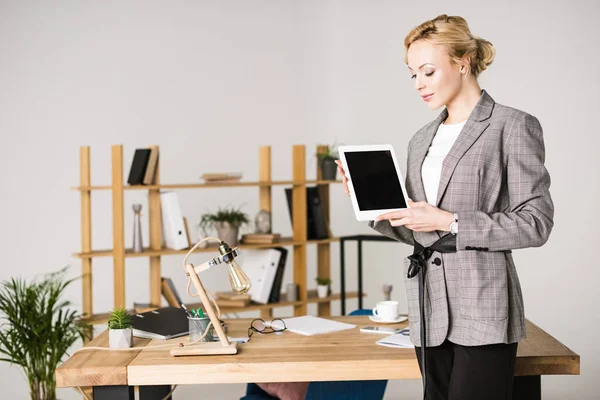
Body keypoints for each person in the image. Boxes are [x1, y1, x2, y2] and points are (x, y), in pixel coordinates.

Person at [336, 14, 554, 400]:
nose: (418, 84)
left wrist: (450, 220)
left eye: (428, 71)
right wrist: (367, 201)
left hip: (484, 302)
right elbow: (418, 229)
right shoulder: (421, 139)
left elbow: (535, 224)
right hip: (427, 304)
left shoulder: (512, 125)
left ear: (462, 61)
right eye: (412, 74)